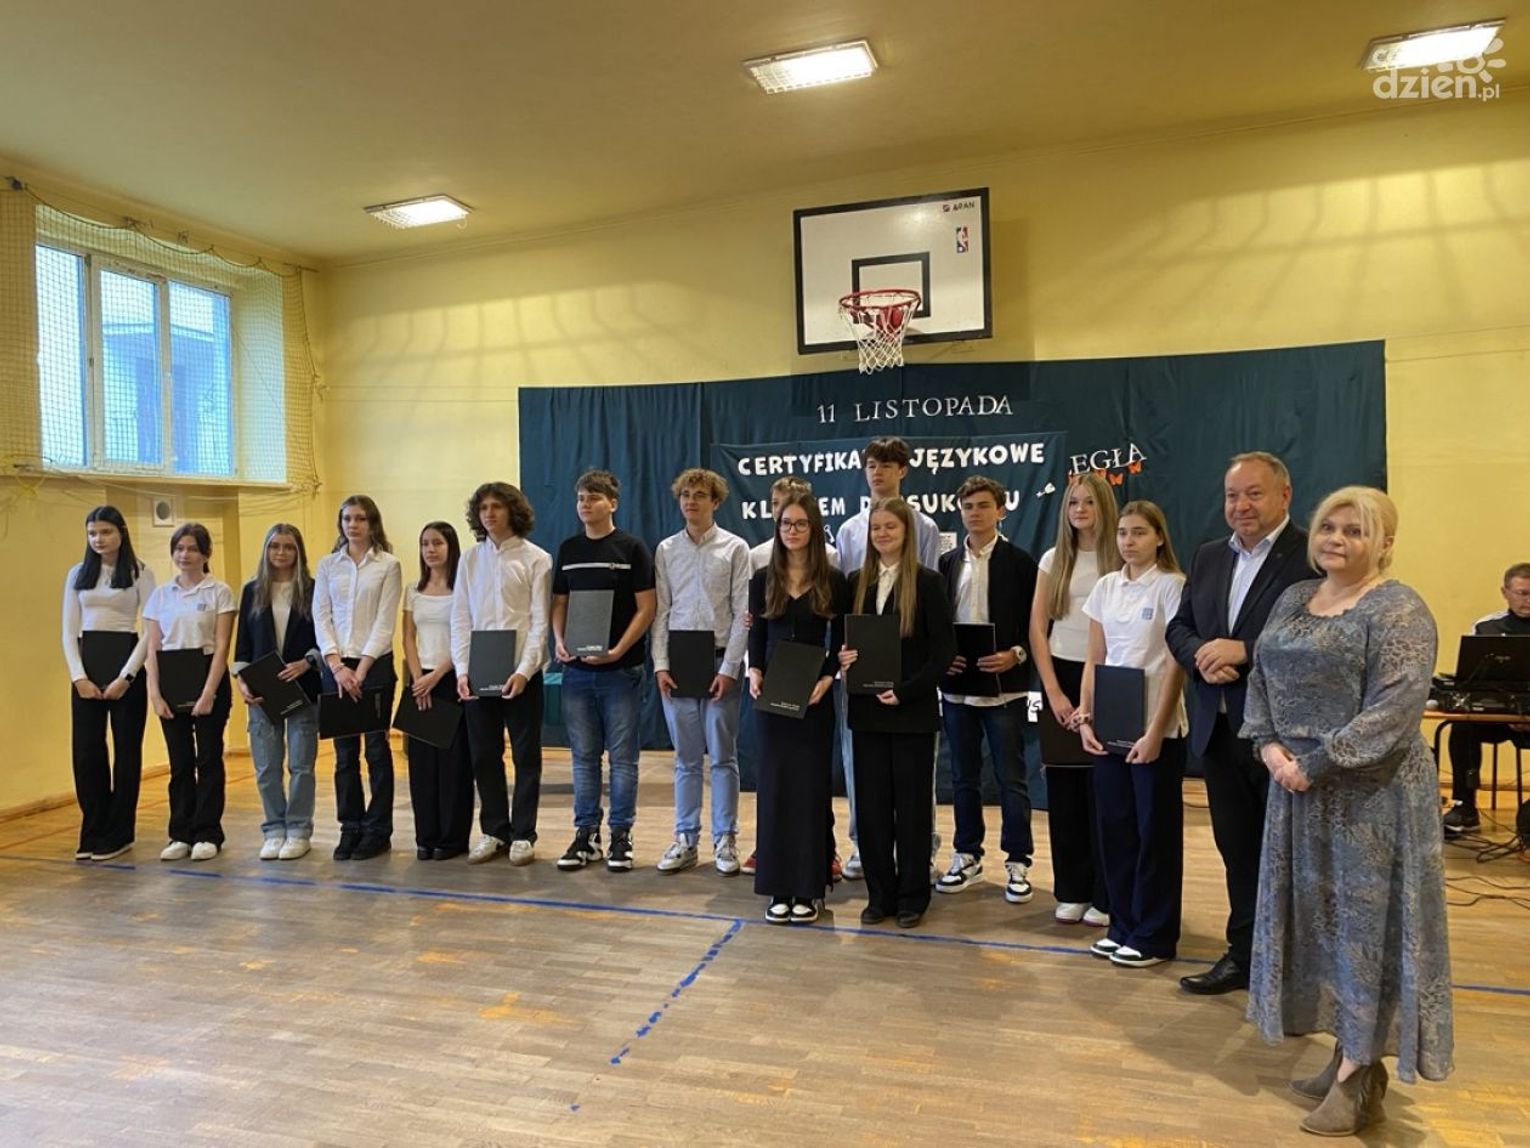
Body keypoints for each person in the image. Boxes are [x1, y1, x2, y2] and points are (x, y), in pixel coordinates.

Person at [1241, 486, 1452, 1136]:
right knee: (1321, 928)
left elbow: (1394, 710)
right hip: (1295, 790)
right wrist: (1269, 746)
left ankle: (1358, 1074)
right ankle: (1345, 1050)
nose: (1336, 539)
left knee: (1366, 931)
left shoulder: (1399, 609)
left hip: (1371, 797)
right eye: (1329, 527)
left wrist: (1314, 763)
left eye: (1355, 530)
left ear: (1385, 543)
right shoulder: (1293, 598)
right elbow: (1259, 676)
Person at [1165, 452, 1318, 995]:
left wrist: (1246, 650)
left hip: (1286, 738)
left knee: (1292, 858)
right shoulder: (1209, 556)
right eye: (1233, 495)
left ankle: (1295, 970)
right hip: (1219, 730)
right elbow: (1179, 626)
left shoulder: (1312, 557)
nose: (1241, 505)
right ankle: (1245, 957)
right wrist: (1202, 654)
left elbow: (1320, 637)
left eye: (1254, 493)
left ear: (1285, 494)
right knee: (1238, 851)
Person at [1076, 500, 1187, 968]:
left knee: (1153, 833)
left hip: (1155, 730)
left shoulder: (1172, 586)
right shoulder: (1106, 586)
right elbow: (1095, 658)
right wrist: (1086, 716)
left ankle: (1154, 935)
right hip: (1111, 726)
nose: (1128, 541)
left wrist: (1157, 731)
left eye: (1139, 532)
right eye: (1123, 532)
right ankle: (1122, 925)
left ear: (1159, 537)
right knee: (1116, 829)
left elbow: (1175, 665)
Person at [840, 497, 956, 930]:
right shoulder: (856, 582)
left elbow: (943, 653)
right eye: (876, 528)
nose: (882, 534)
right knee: (871, 809)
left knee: (911, 810)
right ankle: (879, 895)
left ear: (907, 532)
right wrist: (844, 658)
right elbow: (844, 642)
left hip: (912, 714)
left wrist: (905, 692)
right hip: (867, 713)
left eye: (890, 527)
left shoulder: (928, 582)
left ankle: (912, 896)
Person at [834, 437, 943, 880]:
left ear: (903, 470)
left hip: (910, 672)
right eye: (871, 465)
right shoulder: (848, 530)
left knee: (916, 776)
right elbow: (848, 601)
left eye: (887, 464)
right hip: (865, 673)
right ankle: (863, 845)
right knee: (861, 766)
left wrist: (912, 677)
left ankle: (922, 849)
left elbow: (926, 594)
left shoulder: (925, 528)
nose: (877, 472)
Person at [935, 476, 1039, 904]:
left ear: (1001, 510)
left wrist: (1016, 653)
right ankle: (967, 855)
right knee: (963, 777)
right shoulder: (946, 563)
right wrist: (944, 658)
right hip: (958, 689)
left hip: (1004, 689)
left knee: (1011, 778)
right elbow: (936, 623)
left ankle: (1018, 861)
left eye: (982, 505)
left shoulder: (1020, 562)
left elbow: (1038, 624)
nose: (974, 513)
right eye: (967, 506)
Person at [748, 491, 849, 923]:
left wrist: (828, 678)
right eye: (786, 523)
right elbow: (756, 634)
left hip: (814, 696)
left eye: (800, 523)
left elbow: (840, 640)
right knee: (775, 787)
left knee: (809, 790)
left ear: (814, 528)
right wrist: (754, 670)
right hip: (772, 694)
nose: (792, 530)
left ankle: (809, 888)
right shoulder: (761, 578)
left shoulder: (833, 580)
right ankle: (778, 887)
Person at [551, 469, 656, 872]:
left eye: (593, 497)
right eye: (580, 497)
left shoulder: (632, 548)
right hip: (576, 672)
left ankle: (620, 835)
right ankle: (586, 835)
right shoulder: (569, 548)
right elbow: (560, 602)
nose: (585, 504)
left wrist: (617, 650)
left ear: (612, 503)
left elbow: (646, 608)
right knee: (583, 757)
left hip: (621, 672)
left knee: (623, 759)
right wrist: (559, 640)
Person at [1028, 474, 1118, 926]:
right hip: (1061, 678)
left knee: (1106, 791)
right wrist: (1054, 692)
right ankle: (1072, 890)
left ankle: (1107, 894)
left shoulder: (1120, 555)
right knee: (1065, 793)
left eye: (1088, 502)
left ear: (1104, 506)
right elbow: (1036, 629)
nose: (1080, 510)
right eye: (1072, 503)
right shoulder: (1053, 559)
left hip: (1109, 677)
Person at [652, 468, 751, 875]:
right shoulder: (666, 549)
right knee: (686, 758)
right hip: (678, 663)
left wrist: (730, 668)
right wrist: (660, 664)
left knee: (723, 757)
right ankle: (685, 838)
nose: (691, 501)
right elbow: (661, 610)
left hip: (719, 661)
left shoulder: (735, 548)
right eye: (686, 495)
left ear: (716, 501)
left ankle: (725, 839)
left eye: (700, 495)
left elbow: (744, 612)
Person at [452, 482, 551, 865]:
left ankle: (523, 833)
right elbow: (461, 618)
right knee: (484, 755)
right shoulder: (469, 560)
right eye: (483, 508)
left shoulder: (536, 559)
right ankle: (494, 830)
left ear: (512, 510)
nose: (489, 514)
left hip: (522, 673)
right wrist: (462, 670)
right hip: (479, 671)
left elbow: (539, 623)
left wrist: (525, 671)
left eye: (496, 506)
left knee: (526, 755)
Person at [60, 506, 156, 862]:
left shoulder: (139, 572)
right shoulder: (77, 574)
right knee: (86, 753)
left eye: (105, 532)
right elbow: (69, 631)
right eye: (92, 533)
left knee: (126, 753)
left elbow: (151, 630)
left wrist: (127, 676)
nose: (98, 539)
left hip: (125, 663)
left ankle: (119, 832)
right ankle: (94, 828)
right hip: (87, 666)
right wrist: (79, 676)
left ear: (121, 532)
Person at [314, 494, 403, 861]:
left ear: (372, 523)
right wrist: (337, 667)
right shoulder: (327, 565)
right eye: (348, 518)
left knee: (377, 751)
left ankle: (378, 830)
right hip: (336, 668)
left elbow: (384, 622)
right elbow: (321, 617)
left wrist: (361, 671)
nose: (353, 525)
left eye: (361, 518)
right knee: (344, 755)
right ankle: (349, 827)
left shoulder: (388, 565)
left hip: (374, 666)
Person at [143, 523, 237, 862]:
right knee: (180, 762)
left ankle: (208, 832)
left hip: (208, 676)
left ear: (206, 554)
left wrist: (209, 692)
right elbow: (153, 649)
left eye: (193, 549)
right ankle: (180, 833)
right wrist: (155, 694)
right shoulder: (160, 595)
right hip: (172, 679)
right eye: (179, 548)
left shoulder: (219, 592)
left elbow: (222, 645)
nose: (185, 555)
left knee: (208, 759)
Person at [233, 524, 322, 861]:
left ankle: (298, 829)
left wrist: (308, 662)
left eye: (288, 547)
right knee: (267, 767)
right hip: (262, 692)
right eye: (274, 547)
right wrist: (242, 681)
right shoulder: (252, 591)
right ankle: (273, 829)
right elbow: (243, 645)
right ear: (266, 551)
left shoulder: (313, 589)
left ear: (298, 552)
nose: (281, 553)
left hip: (303, 689)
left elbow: (326, 636)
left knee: (301, 765)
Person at [1442, 561, 1530, 835]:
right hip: (1497, 715)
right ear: (1505, 593)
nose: (1528, 600)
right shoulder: (1486, 627)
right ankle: (1465, 808)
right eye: (1523, 593)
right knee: (1461, 728)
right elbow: (1473, 680)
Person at [403, 522, 474, 861]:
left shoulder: (463, 587)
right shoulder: (412, 590)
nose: (430, 550)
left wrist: (437, 675)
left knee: (453, 765)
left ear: (451, 547)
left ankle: (452, 838)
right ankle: (426, 837)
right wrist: (418, 677)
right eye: (425, 544)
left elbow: (466, 635)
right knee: (421, 766)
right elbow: (407, 637)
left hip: (451, 678)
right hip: (419, 681)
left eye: (437, 543)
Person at [748, 476, 840, 573]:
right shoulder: (757, 557)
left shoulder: (829, 555)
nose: (779, 509)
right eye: (775, 503)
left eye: (786, 503)